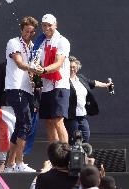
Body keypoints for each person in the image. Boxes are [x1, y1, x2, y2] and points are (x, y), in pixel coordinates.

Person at [3, 16, 39, 172]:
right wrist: (33, 69)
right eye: (26, 31)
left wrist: (36, 79)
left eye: (31, 32)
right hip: (15, 88)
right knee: (25, 124)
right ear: (21, 30)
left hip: (28, 90)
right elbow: (18, 62)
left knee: (20, 126)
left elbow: (32, 68)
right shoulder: (14, 43)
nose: (28, 34)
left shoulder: (32, 47)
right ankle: (19, 163)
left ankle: (9, 165)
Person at [34, 13, 71, 143]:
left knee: (58, 120)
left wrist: (43, 70)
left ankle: (66, 157)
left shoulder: (62, 41)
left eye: (49, 25)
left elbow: (58, 63)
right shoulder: (40, 42)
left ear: (55, 25)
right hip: (46, 87)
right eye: (44, 25)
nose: (46, 28)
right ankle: (54, 156)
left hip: (59, 85)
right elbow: (36, 62)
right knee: (49, 122)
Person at [64, 56, 113, 145]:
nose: (72, 69)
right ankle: (71, 157)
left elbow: (94, 83)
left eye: (74, 67)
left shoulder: (81, 78)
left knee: (86, 136)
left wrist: (106, 85)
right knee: (73, 139)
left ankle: (83, 156)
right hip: (71, 116)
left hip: (82, 115)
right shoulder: (63, 80)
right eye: (69, 67)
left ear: (77, 68)